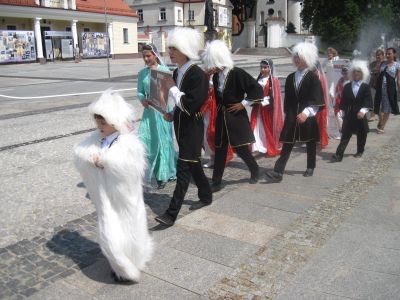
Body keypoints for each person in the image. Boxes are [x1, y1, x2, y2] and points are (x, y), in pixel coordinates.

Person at [74, 90, 153, 283]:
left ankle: (130, 264)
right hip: (106, 199)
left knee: (129, 229)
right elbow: (79, 153)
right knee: (110, 232)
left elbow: (131, 169)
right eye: (98, 121)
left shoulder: (129, 143)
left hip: (124, 199)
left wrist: (107, 162)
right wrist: (90, 159)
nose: (100, 125)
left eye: (104, 121)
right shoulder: (96, 138)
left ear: (115, 121)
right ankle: (120, 266)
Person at [154, 28, 212, 226]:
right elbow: (180, 104)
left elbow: (190, 104)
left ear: (185, 50)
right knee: (194, 165)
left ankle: (170, 215)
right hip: (181, 128)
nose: (170, 52)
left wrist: (172, 87)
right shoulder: (178, 71)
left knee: (183, 172)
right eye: (169, 48)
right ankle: (206, 196)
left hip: (192, 131)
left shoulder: (198, 75)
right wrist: (172, 113)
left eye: (174, 49)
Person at [202, 40, 264, 192]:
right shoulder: (216, 77)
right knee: (220, 149)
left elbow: (256, 89)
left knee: (241, 149)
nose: (212, 66)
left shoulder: (237, 73)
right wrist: (205, 76)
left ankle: (255, 169)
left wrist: (244, 103)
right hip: (221, 116)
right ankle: (216, 182)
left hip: (236, 116)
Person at [265, 42, 324, 183]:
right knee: (288, 143)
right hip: (292, 114)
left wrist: (306, 113)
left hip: (307, 114)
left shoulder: (312, 77)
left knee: (310, 142)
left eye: (300, 57)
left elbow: (317, 98)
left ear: (307, 58)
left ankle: (311, 166)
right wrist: (288, 113)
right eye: (295, 57)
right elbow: (289, 98)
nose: (297, 60)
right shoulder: (291, 77)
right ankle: (278, 172)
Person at [137, 44, 177, 189]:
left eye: (148, 56)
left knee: (163, 141)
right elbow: (140, 92)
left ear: (155, 55)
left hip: (162, 111)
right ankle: (148, 171)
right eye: (144, 56)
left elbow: (172, 92)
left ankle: (163, 175)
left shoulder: (165, 71)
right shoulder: (142, 73)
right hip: (149, 112)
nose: (146, 59)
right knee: (145, 141)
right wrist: (143, 100)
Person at [332, 60, 373, 161]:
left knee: (362, 134)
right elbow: (344, 100)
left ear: (362, 73)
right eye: (354, 71)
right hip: (349, 114)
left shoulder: (365, 87)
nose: (356, 73)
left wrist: (363, 111)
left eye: (358, 71)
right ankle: (339, 154)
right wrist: (342, 111)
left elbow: (367, 100)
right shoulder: (347, 86)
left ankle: (360, 150)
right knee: (345, 134)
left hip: (360, 114)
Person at [250, 58, 284, 156]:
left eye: (265, 67)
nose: (263, 69)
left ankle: (265, 146)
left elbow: (275, 97)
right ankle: (255, 147)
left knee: (266, 129)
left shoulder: (274, 80)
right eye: (261, 67)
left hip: (267, 109)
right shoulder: (258, 79)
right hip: (257, 108)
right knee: (255, 126)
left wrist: (263, 101)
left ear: (270, 68)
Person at [201, 75, 234, 168]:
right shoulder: (205, 75)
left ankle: (220, 157)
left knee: (215, 132)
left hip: (216, 107)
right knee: (205, 131)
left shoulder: (220, 75)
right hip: (206, 107)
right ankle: (212, 157)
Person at [374, 47, 400, 133]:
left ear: (394, 54)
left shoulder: (397, 65)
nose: (387, 55)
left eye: (389, 53)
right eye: (387, 54)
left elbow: (398, 80)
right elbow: (378, 75)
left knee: (387, 109)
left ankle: (382, 127)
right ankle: (381, 121)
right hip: (379, 88)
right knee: (378, 107)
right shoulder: (382, 63)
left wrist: (399, 89)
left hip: (390, 89)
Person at [324, 47, 341, 139]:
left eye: (330, 53)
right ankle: (330, 126)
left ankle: (339, 126)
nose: (329, 54)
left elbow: (337, 74)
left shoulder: (337, 60)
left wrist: (332, 88)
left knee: (335, 105)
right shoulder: (326, 61)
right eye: (328, 53)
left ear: (334, 53)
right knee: (329, 106)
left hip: (333, 84)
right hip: (327, 83)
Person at [314, 61, 329, 149]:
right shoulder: (311, 77)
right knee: (314, 123)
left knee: (322, 123)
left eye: (314, 69)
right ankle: (316, 139)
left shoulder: (322, 77)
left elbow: (323, 92)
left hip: (321, 104)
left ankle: (323, 140)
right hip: (313, 104)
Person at [369, 49, 385, 121]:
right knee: (372, 99)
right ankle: (372, 115)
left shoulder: (385, 63)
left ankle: (381, 116)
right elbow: (369, 71)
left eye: (379, 55)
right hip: (373, 84)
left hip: (382, 85)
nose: (378, 56)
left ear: (383, 56)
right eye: (377, 55)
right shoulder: (372, 63)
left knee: (381, 101)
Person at [334, 66, 350, 132]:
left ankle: (347, 128)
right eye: (343, 73)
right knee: (338, 115)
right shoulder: (340, 80)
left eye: (346, 73)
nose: (344, 75)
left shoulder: (351, 81)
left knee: (348, 115)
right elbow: (337, 90)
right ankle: (342, 128)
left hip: (348, 101)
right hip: (340, 100)